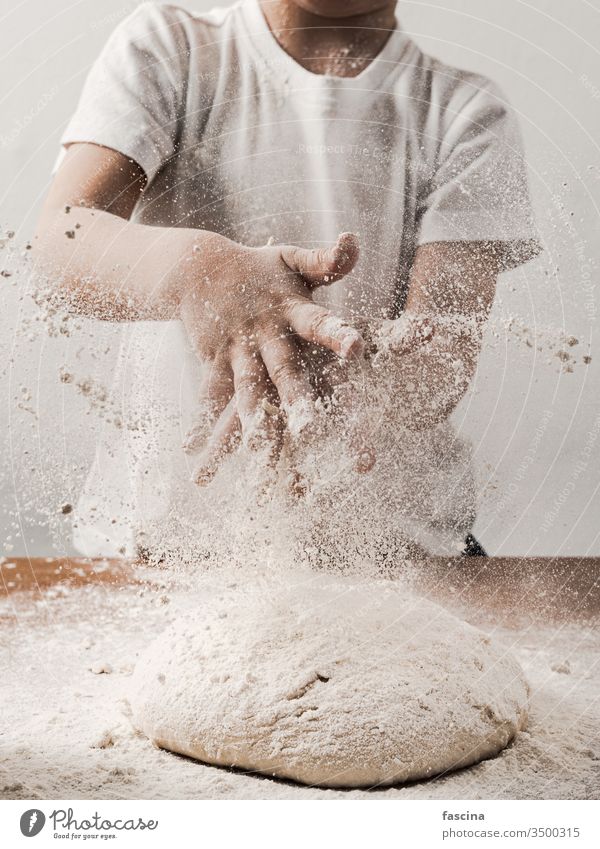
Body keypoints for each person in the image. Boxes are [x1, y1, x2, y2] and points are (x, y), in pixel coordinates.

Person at [34, 0, 540, 560]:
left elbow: (442, 351)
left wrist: (367, 380)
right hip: (166, 537)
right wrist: (202, 270)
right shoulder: (170, 46)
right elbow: (61, 244)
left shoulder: (465, 110)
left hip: (396, 546)